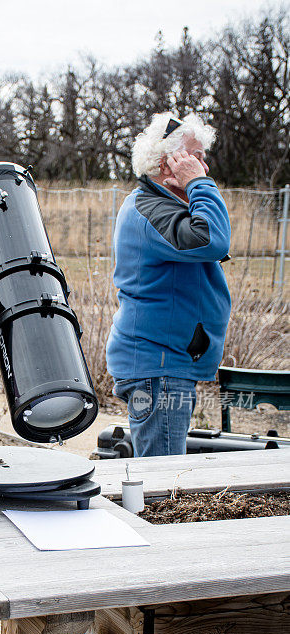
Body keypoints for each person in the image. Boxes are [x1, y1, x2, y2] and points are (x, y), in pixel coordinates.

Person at [106, 112, 231, 457]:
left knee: (162, 475)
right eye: (196, 157)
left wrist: (194, 188)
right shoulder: (150, 210)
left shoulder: (162, 206)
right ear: (167, 164)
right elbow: (213, 239)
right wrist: (198, 185)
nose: (204, 167)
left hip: (164, 364)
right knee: (161, 482)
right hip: (158, 368)